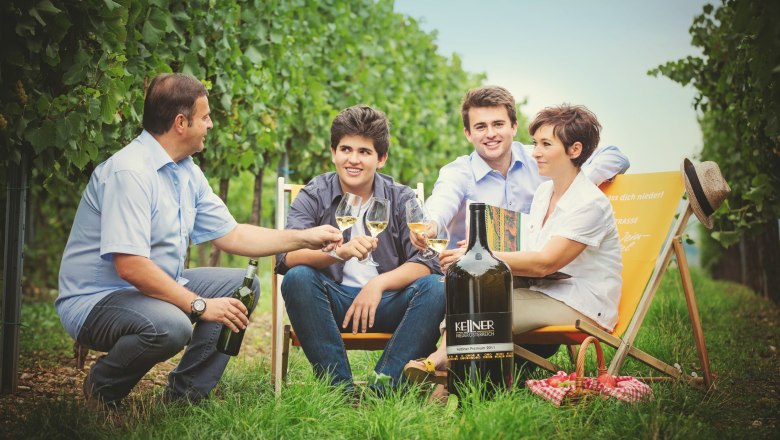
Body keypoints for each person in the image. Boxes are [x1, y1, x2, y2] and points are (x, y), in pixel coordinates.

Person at [56, 73, 342, 407]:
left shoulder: (185, 170)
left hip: (153, 287)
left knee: (242, 285)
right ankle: (102, 389)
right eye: (205, 117)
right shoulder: (130, 173)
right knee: (173, 326)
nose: (210, 125)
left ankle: (185, 397)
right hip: (98, 301)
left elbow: (233, 234)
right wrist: (200, 305)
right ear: (181, 122)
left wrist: (305, 238)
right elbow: (131, 267)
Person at [406, 86, 629, 379]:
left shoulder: (585, 201)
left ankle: (438, 362)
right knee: (472, 293)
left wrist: (477, 257)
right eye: (480, 126)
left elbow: (545, 262)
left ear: (512, 126)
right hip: (540, 286)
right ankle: (448, 376)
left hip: (579, 299)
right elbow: (442, 201)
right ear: (468, 133)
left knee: (484, 307)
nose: (536, 152)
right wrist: (432, 223)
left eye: (498, 124)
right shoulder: (544, 191)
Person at [275, 105, 444, 392]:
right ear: (333, 152)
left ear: (381, 158)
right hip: (332, 304)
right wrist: (337, 253)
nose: (353, 160)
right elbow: (288, 255)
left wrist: (378, 285)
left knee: (437, 287)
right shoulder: (314, 194)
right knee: (298, 278)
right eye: (346, 149)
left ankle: (383, 388)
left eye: (364, 152)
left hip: (390, 303)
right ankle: (340, 391)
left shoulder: (402, 198)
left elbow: (427, 261)